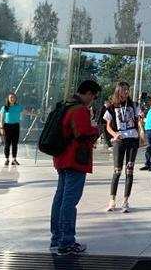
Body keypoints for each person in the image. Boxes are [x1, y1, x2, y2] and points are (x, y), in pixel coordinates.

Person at [50, 80, 101, 256]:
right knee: (69, 201)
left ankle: (56, 239)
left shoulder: (65, 105)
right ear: (88, 93)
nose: (92, 100)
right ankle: (66, 242)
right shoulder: (79, 109)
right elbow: (82, 133)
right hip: (75, 160)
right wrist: (96, 130)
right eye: (93, 96)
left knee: (60, 198)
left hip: (62, 158)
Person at [103, 81, 143, 212]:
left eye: (128, 90)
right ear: (118, 91)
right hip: (119, 140)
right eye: (124, 90)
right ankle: (112, 200)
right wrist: (115, 134)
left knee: (129, 170)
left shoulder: (134, 105)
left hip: (132, 139)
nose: (126, 92)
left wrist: (141, 133)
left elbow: (139, 121)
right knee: (117, 171)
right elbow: (108, 126)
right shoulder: (111, 107)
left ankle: (125, 201)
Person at [0, 92, 23, 166]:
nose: (12, 99)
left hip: (16, 126)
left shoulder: (18, 106)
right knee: (7, 144)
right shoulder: (5, 107)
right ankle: (7, 159)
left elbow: (25, 112)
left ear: (15, 99)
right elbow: (1, 118)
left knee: (15, 144)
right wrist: (1, 128)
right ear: (8, 99)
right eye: (11, 97)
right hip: (7, 126)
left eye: (14, 97)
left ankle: (14, 159)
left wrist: (36, 114)